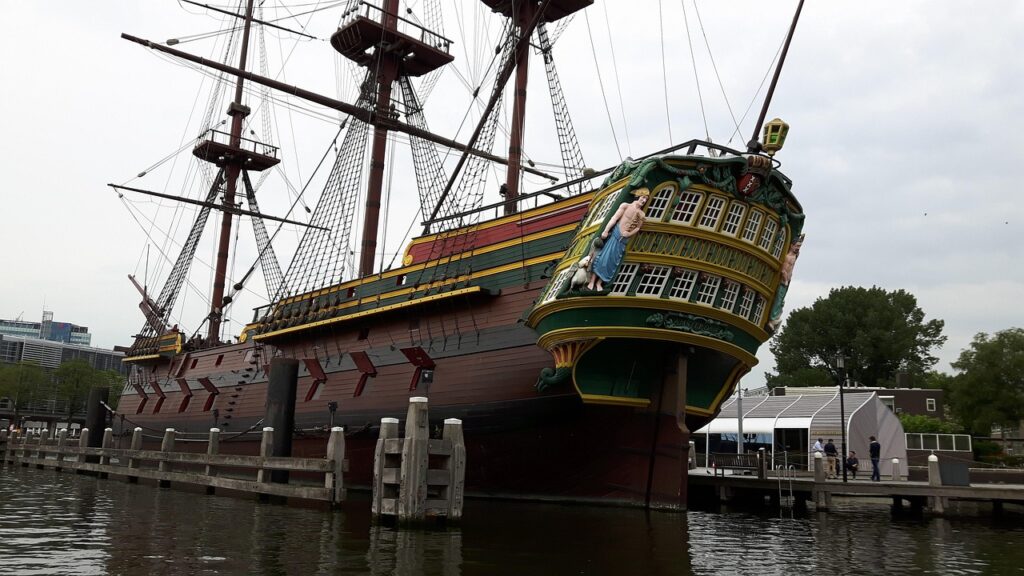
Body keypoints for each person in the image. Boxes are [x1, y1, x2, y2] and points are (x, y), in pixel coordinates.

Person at [588, 188, 650, 291]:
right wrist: (606, 230)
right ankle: (592, 281)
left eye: (646, 199)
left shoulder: (641, 214)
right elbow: (614, 218)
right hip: (615, 235)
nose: (644, 201)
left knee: (613, 263)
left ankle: (599, 283)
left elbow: (638, 228)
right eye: (643, 197)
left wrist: (629, 233)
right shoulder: (625, 205)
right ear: (638, 196)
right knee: (603, 258)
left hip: (623, 240)